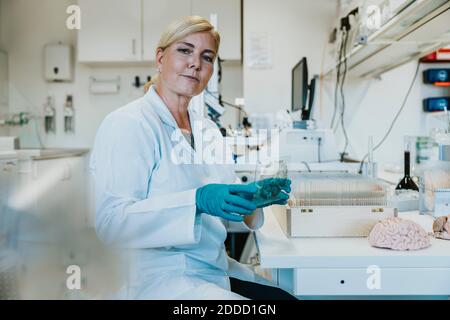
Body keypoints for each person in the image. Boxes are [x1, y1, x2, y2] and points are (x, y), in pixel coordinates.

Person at [90, 16, 294, 300]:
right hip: (158, 279)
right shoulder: (129, 123)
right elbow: (111, 224)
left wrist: (251, 200)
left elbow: (220, 206)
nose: (196, 63)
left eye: (206, 57)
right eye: (185, 50)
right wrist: (196, 201)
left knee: (287, 297)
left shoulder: (206, 129)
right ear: (160, 58)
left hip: (211, 270)